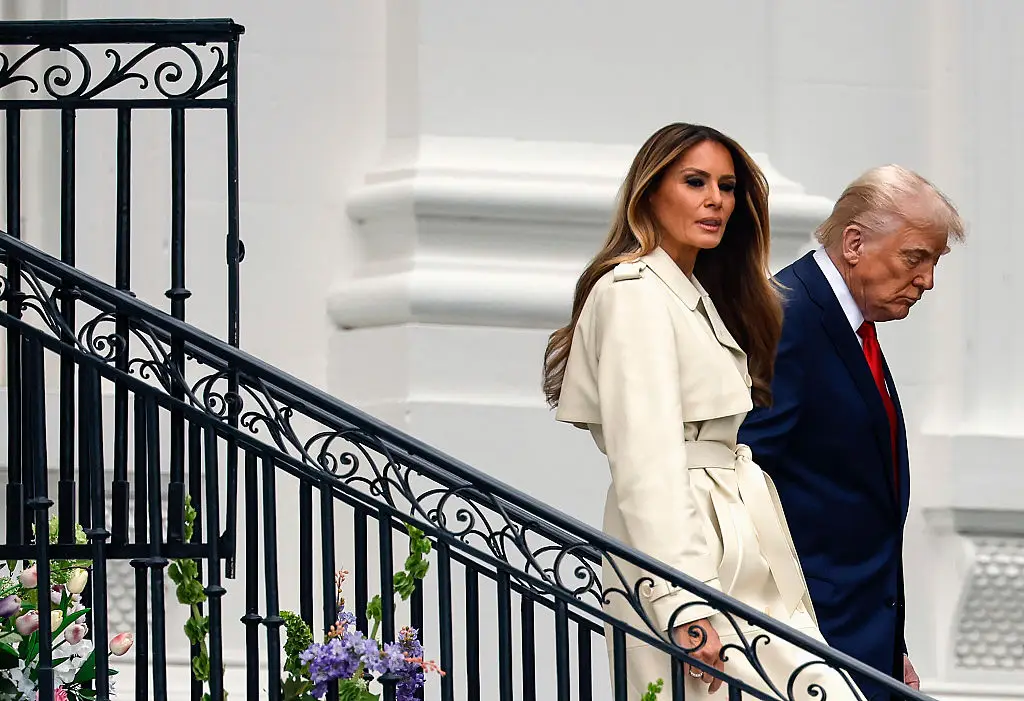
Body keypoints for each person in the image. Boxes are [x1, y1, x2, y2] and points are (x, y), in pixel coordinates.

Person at [545, 123, 863, 700]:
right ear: (650, 192)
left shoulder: (693, 296)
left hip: (736, 527)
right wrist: (682, 602)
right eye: (695, 182)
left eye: (727, 186)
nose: (717, 200)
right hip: (684, 541)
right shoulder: (632, 292)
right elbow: (646, 462)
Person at [738, 165, 964, 701]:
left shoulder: (848, 322)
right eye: (916, 257)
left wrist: (889, 644)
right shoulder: (788, 315)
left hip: (858, 638)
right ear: (855, 242)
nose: (927, 280)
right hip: (802, 642)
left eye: (934, 262)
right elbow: (741, 477)